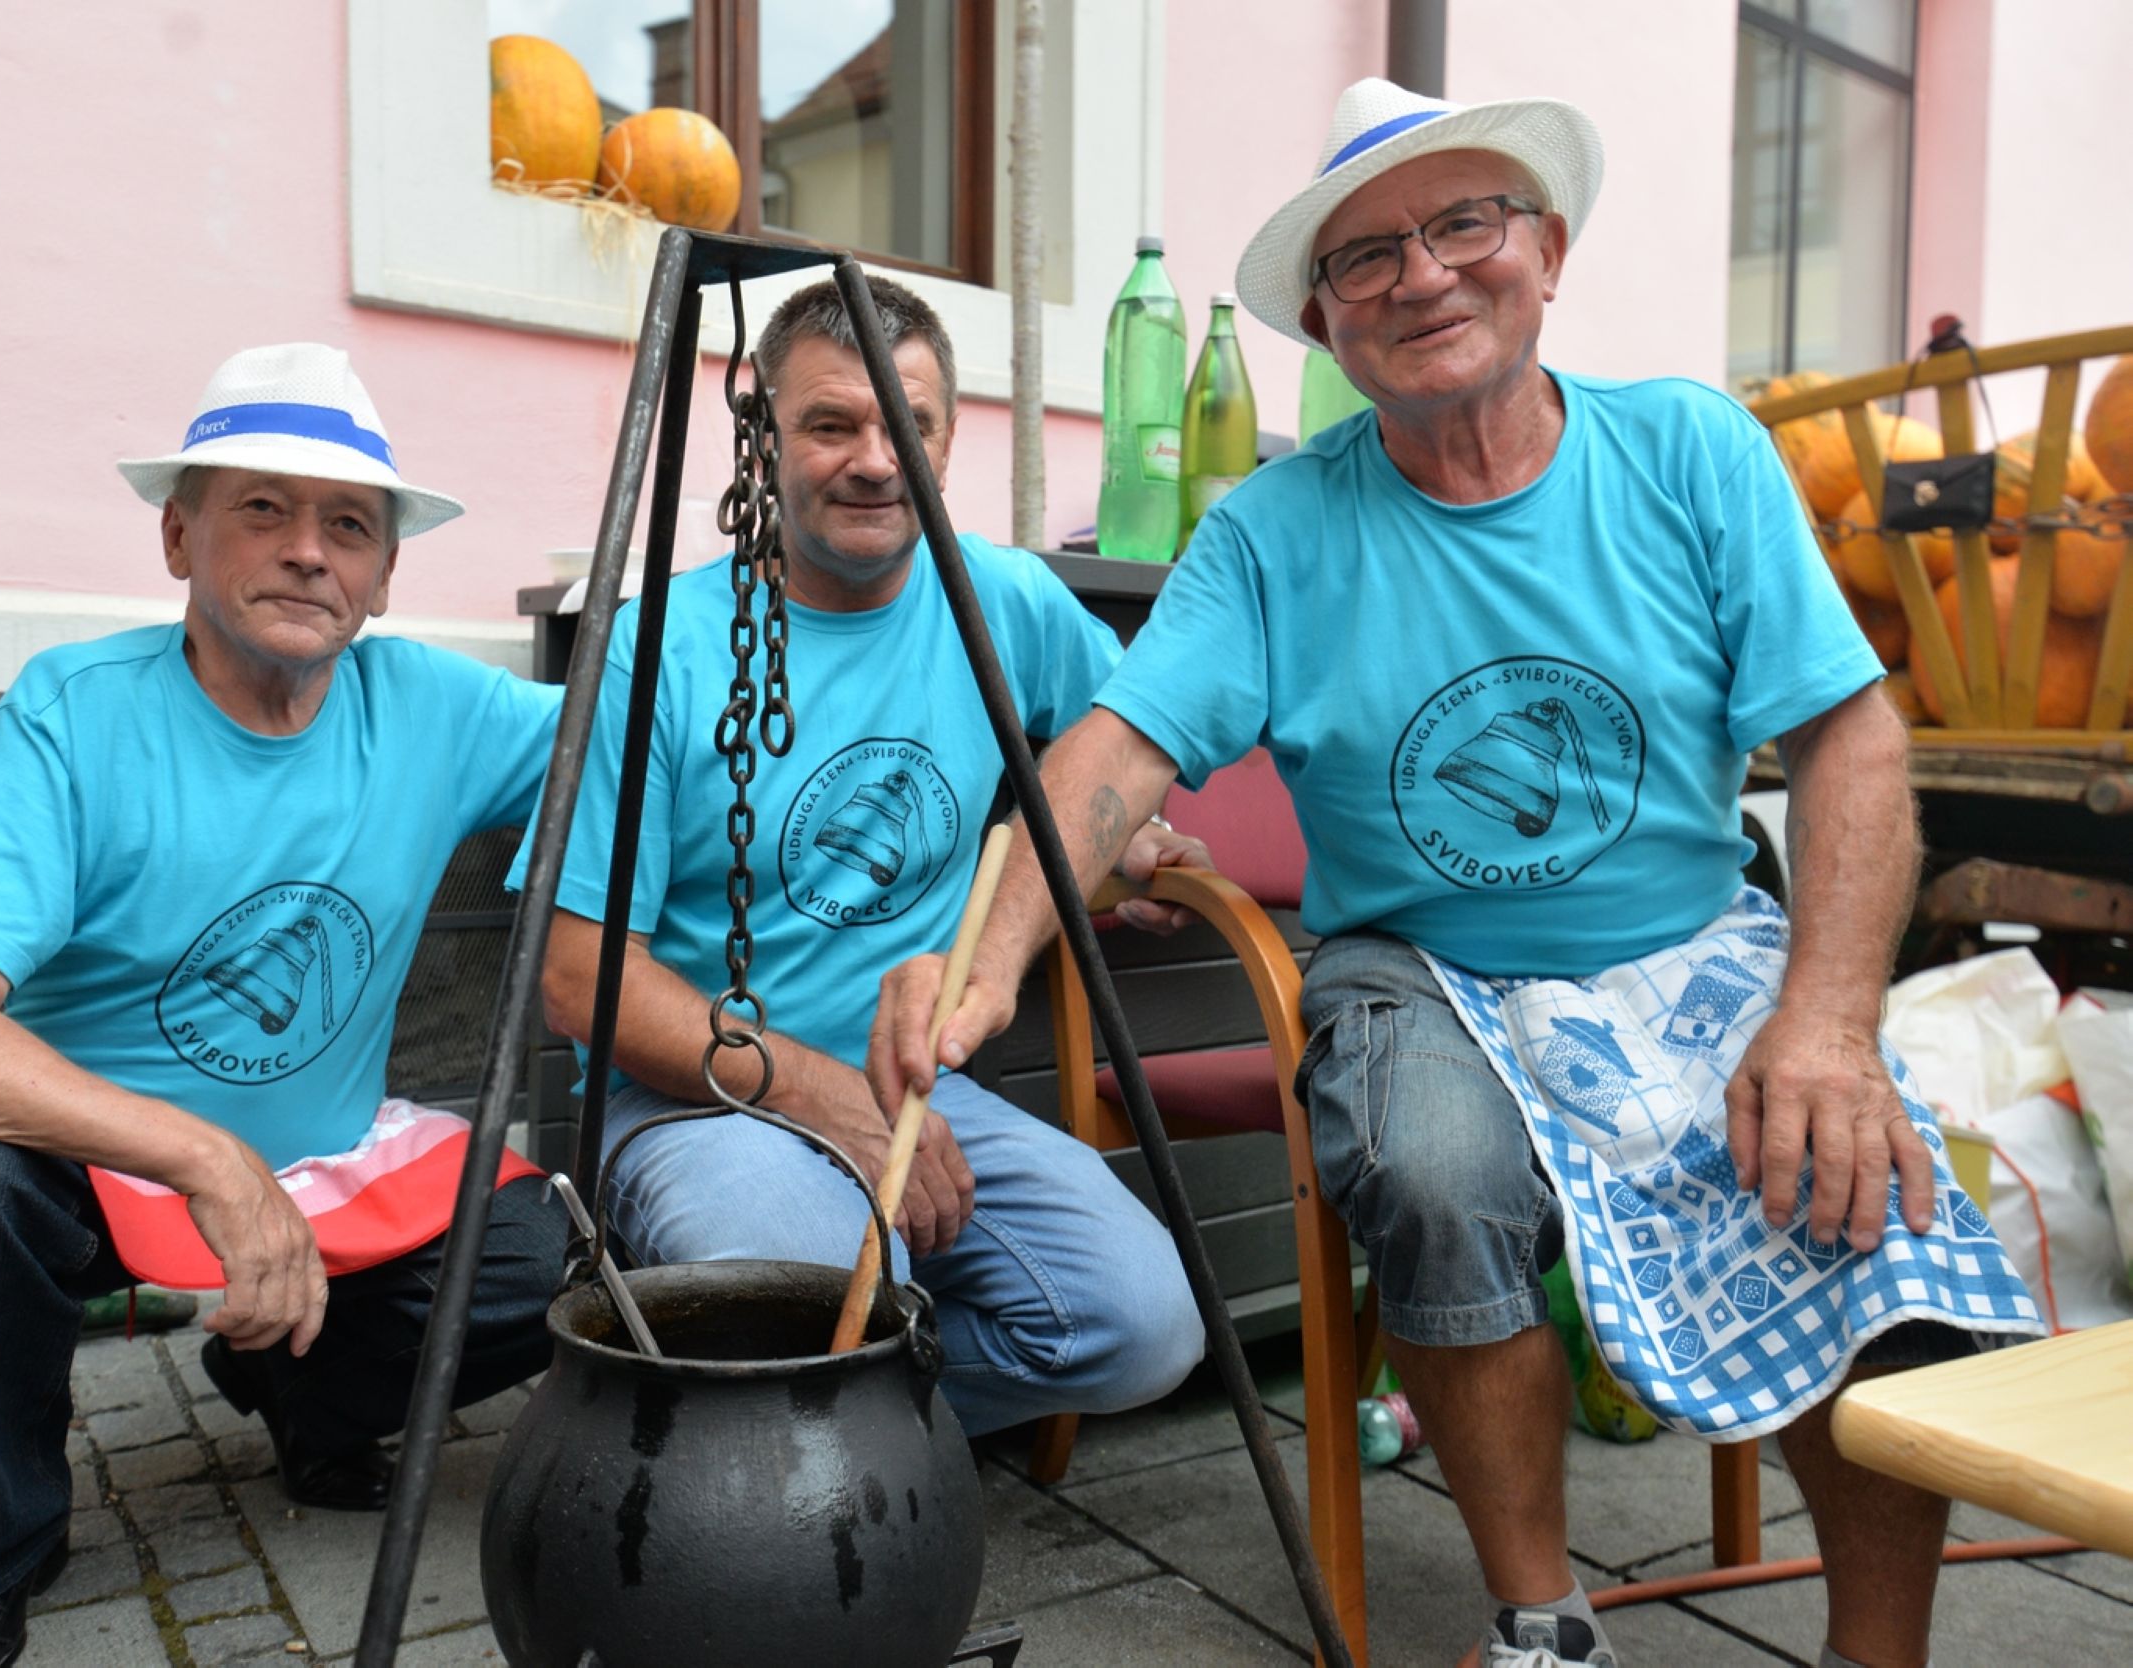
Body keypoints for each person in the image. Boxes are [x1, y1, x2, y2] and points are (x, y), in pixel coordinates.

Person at [870, 79, 2040, 1668]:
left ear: (1545, 251)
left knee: (1863, 1177)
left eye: (1463, 223)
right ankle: (1543, 1621)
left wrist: (1829, 1016)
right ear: (1325, 325)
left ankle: (1878, 1656)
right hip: (1418, 967)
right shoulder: (1274, 530)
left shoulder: (1690, 452)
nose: (1420, 276)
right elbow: (1114, 759)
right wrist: (986, 959)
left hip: (1693, 938)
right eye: (1364, 261)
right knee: (1433, 1165)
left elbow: (1853, 744)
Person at [0, 343, 570, 1668]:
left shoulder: (438, 708)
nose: (309, 552)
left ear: (386, 571)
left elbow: (644, 732)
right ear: (179, 537)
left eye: (349, 524)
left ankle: (300, 1390)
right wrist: (200, 1154)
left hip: (328, 1166)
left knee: (532, 1262)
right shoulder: (73, 712)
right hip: (80, 1175)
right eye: (262, 511)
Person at [524, 275, 1206, 1439]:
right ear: (764, 439)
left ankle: (836, 1430)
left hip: (925, 1095)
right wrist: (824, 1097)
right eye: (833, 423)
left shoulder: (1003, 600)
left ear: (947, 441)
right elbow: (576, 971)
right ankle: (799, 1445)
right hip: (696, 1102)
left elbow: (1116, 760)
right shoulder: (660, 649)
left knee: (1145, 1327)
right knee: (827, 1288)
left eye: (910, 423)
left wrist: (1122, 846)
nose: (876, 460)